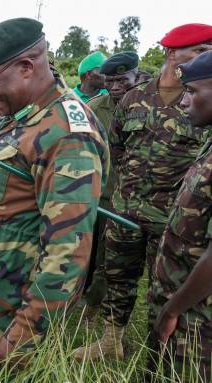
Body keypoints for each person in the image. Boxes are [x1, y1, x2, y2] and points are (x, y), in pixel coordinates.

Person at [0, 18, 108, 366]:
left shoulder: (66, 135)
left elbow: (68, 250)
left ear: (25, 67)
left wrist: (23, 333)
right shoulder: (23, 114)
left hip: (15, 311)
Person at [73, 23, 212, 362]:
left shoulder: (201, 101)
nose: (206, 57)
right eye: (199, 51)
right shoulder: (134, 97)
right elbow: (116, 147)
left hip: (172, 222)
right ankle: (110, 341)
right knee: (117, 277)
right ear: (171, 54)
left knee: (163, 292)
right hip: (125, 209)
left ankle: (156, 364)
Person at [146, 49, 212, 383]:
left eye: (193, 91)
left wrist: (173, 309)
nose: (184, 101)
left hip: (197, 319)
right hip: (182, 305)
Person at [79, 51, 140, 323]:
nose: (115, 87)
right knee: (83, 250)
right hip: (97, 195)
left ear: (135, 76)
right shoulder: (93, 107)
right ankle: (75, 298)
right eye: (110, 81)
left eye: (122, 81)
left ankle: (94, 305)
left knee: (111, 259)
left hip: (131, 200)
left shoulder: (150, 107)